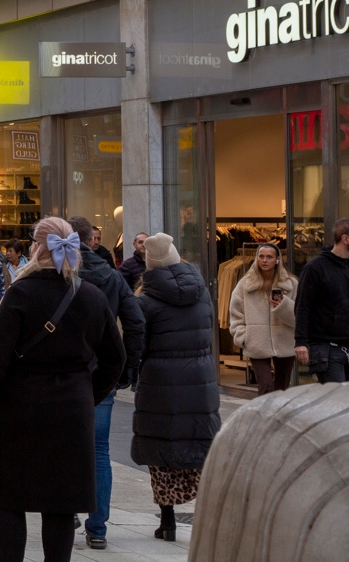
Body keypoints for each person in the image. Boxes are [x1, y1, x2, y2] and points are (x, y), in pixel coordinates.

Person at [0, 217, 126, 562]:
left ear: (36, 247)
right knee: (60, 505)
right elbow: (116, 359)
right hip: (72, 410)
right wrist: (89, 394)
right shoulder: (91, 296)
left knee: (12, 502)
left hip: (20, 408)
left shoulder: (20, 294)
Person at [131, 232, 220, 542]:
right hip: (200, 379)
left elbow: (139, 344)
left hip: (161, 383)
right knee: (199, 445)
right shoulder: (202, 293)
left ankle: (167, 521)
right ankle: (208, 516)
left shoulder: (145, 300)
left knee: (162, 452)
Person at [66, 216, 145, 552]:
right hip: (102, 374)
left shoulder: (58, 272)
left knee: (64, 446)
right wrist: (127, 368)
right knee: (99, 450)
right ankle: (97, 527)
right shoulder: (112, 276)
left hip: (61, 374)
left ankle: (65, 511)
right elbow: (136, 322)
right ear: (92, 240)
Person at [230, 243, 298, 395]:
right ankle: (262, 417)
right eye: (261, 256)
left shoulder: (291, 284)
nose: (265, 260)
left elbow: (299, 316)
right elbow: (236, 312)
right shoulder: (245, 284)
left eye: (269, 257)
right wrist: (242, 335)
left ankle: (276, 417)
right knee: (265, 385)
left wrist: (283, 306)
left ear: (277, 260)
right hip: (256, 342)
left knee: (281, 386)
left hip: (285, 342)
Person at [294, 218, 349, 382]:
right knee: (336, 401)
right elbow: (303, 306)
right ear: (346, 239)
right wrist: (300, 342)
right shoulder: (315, 267)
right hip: (327, 348)